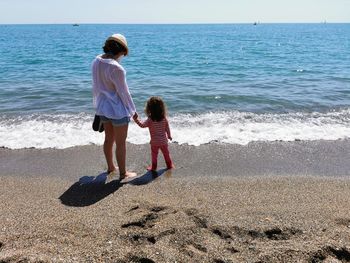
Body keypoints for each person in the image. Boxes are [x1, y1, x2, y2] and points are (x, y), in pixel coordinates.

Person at [92, 33, 137, 180]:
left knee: (108, 139)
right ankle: (123, 173)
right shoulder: (117, 69)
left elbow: (96, 86)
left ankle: (111, 167)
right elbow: (124, 93)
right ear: (121, 50)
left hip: (103, 108)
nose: (123, 56)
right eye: (124, 53)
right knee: (121, 143)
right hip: (117, 111)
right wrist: (133, 111)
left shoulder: (97, 61)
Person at [133, 96, 174, 172]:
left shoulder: (150, 120)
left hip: (154, 142)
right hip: (163, 141)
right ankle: (169, 165)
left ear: (149, 109)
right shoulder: (164, 118)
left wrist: (136, 119)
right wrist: (169, 135)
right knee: (166, 154)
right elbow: (167, 127)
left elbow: (142, 125)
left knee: (154, 155)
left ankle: (154, 167)